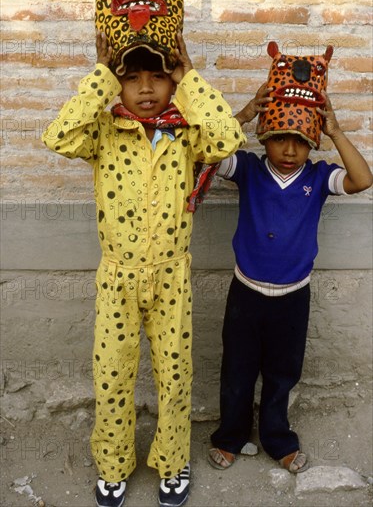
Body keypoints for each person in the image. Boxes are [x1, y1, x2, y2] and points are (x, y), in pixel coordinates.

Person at [42, 31, 245, 507]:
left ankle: (173, 461)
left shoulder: (186, 132)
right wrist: (101, 77)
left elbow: (228, 137)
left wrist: (189, 76)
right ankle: (113, 464)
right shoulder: (104, 131)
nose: (147, 88)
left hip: (172, 277)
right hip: (117, 278)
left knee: (175, 377)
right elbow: (58, 136)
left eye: (158, 75)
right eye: (132, 78)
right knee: (112, 376)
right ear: (119, 83)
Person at [208, 84, 373, 473]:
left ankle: (277, 437)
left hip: (293, 297)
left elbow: (363, 180)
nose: (288, 151)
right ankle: (231, 436)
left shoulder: (318, 178)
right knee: (237, 369)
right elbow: (207, 151)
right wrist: (246, 114)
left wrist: (335, 130)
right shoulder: (248, 168)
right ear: (264, 137)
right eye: (279, 139)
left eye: (299, 141)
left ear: (312, 143)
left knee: (283, 373)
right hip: (245, 293)